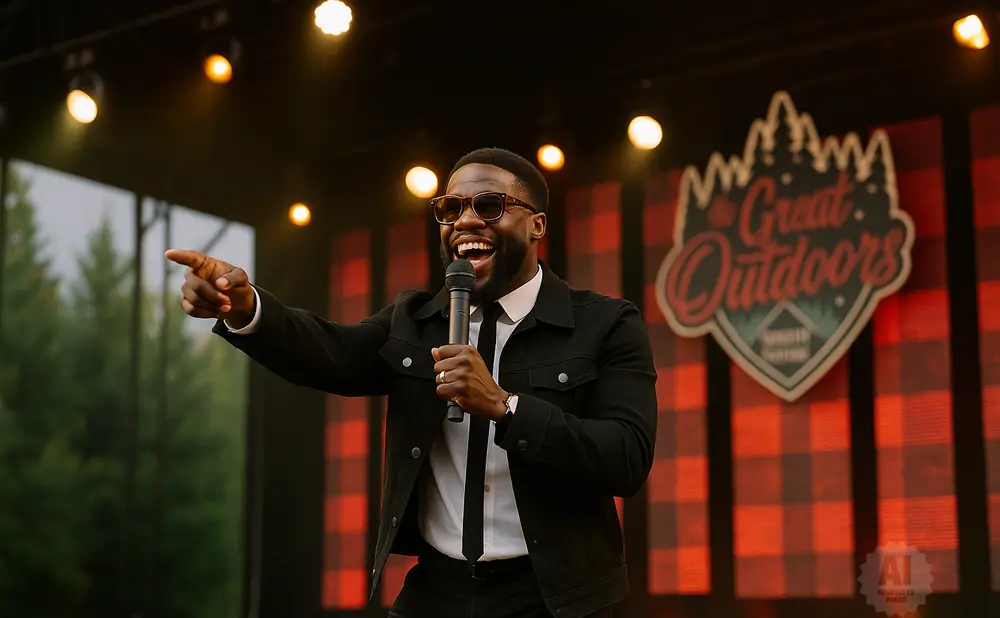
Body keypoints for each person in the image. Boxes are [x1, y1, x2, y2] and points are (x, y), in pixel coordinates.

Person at [165, 148, 658, 618]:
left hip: (555, 596)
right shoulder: (416, 320)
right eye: (450, 208)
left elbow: (627, 457)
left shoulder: (606, 323)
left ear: (536, 226)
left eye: (489, 205)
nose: (465, 220)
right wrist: (247, 306)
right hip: (436, 590)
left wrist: (506, 406)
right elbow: (331, 352)